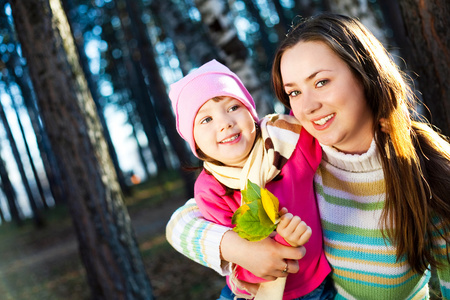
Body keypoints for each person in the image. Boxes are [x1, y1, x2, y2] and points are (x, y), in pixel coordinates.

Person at [166, 13, 450, 299]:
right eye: (294, 92)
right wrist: (236, 248)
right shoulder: (293, 148)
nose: (309, 107)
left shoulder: (426, 170)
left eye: (322, 82)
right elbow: (181, 223)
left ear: (365, 72)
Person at [168, 59, 334, 300]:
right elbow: (240, 261)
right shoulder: (210, 189)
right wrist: (283, 241)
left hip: (316, 284)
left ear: (251, 112)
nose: (225, 123)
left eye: (233, 107)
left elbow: (322, 126)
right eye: (206, 120)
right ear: (193, 141)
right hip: (256, 294)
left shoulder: (289, 142)